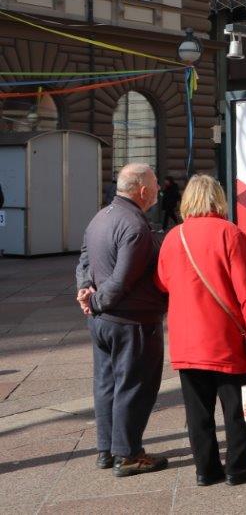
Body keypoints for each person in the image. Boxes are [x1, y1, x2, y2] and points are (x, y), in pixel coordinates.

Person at [155, 175, 246, 487]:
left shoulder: (173, 237)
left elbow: (163, 282)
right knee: (235, 407)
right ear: (217, 199)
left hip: (186, 339)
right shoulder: (230, 234)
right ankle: (238, 468)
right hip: (225, 338)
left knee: (197, 412)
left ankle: (205, 470)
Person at [75, 163, 167, 477]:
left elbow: (84, 260)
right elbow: (122, 279)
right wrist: (97, 300)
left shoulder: (101, 216)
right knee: (134, 386)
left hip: (102, 322)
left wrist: (85, 292)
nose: (158, 190)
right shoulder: (136, 226)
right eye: (155, 185)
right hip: (131, 321)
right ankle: (128, 454)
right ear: (142, 190)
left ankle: (107, 450)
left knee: (107, 385)